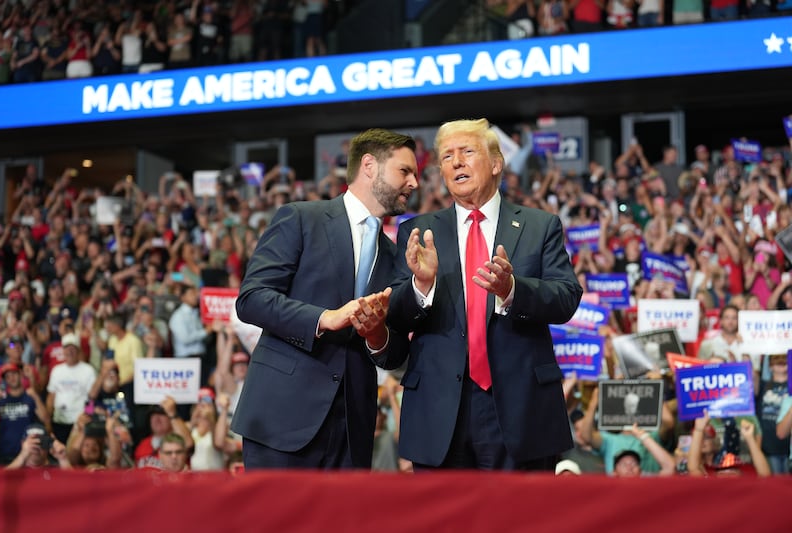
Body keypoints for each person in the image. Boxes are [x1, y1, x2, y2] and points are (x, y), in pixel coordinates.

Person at [388, 118, 583, 471]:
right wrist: (421, 285)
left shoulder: (540, 226)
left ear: (496, 163)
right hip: (440, 410)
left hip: (521, 408)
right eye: (446, 157)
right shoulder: (417, 232)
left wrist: (513, 290)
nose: (456, 162)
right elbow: (397, 317)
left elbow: (566, 297)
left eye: (467, 152)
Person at [231, 128, 418, 469]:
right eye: (405, 171)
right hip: (282, 417)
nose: (414, 183)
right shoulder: (300, 218)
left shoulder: (397, 256)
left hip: (352, 429)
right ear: (369, 166)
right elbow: (252, 298)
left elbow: (394, 355)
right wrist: (323, 318)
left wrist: (376, 335)